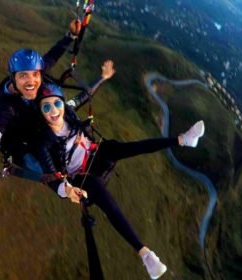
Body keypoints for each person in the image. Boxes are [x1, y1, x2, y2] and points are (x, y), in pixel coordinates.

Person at [35, 81, 205, 279]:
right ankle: (146, 255)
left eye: (57, 104)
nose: (54, 110)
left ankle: (183, 140)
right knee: (103, 197)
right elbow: (50, 173)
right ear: (41, 112)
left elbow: (84, 95)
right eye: (46, 107)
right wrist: (66, 190)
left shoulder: (69, 112)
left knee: (125, 148)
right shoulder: (44, 141)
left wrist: (103, 78)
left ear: (63, 104)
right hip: (80, 178)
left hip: (95, 155)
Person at [0, 20, 83, 175]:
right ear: (13, 78)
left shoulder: (35, 75)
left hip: (28, 119)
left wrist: (71, 36)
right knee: (42, 169)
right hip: (14, 135)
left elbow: (52, 56)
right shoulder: (2, 107)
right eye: (23, 76)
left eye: (35, 74)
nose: (31, 81)